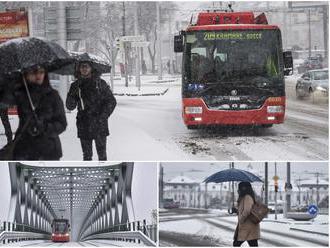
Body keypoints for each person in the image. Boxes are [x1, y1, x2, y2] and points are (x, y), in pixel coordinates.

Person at [12, 65, 67, 160]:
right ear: (27, 74)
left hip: (48, 150)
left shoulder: (53, 95)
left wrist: (45, 127)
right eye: (34, 72)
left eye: (41, 72)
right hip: (24, 148)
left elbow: (62, 123)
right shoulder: (20, 94)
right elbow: (4, 102)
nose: (38, 75)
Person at [66, 61, 116, 161]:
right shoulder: (75, 85)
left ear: (91, 68)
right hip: (84, 124)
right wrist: (72, 96)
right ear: (79, 69)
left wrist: (103, 115)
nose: (84, 69)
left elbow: (111, 101)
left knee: (102, 156)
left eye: (87, 66)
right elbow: (70, 106)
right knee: (87, 157)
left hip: (100, 125)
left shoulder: (100, 83)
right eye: (82, 67)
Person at [233, 182, 260, 247]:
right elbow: (244, 209)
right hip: (248, 226)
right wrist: (236, 210)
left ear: (243, 188)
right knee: (253, 244)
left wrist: (241, 219)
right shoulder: (245, 197)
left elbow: (247, 210)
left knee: (236, 244)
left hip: (247, 226)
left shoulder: (247, 197)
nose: (238, 190)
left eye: (239, 188)